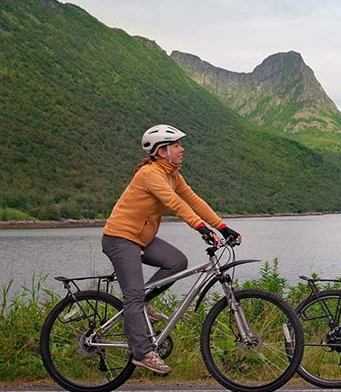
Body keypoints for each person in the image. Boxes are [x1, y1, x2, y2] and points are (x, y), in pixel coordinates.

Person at [101, 124, 241, 375]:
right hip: (120, 238)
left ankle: (143, 303)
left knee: (177, 261)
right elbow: (174, 202)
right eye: (176, 145)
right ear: (161, 150)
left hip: (141, 238)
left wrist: (222, 227)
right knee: (132, 295)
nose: (181, 149)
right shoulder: (150, 174)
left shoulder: (172, 174)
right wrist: (201, 228)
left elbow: (193, 200)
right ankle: (142, 353)